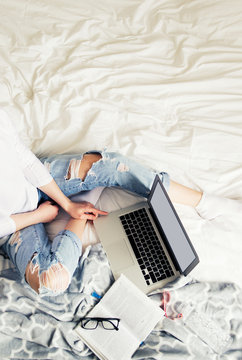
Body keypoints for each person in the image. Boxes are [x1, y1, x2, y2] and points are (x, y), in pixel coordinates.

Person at [0, 109, 241, 296]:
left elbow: (25, 161)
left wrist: (66, 202)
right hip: (15, 224)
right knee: (50, 283)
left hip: (35, 182)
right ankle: (79, 219)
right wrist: (43, 215)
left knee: (112, 166)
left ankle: (206, 202)